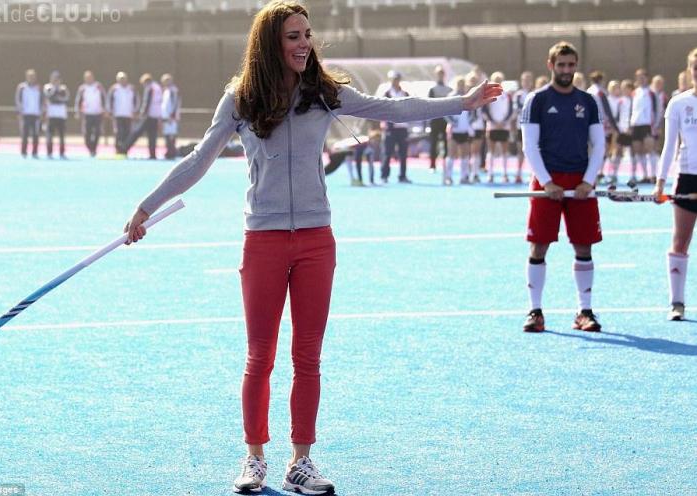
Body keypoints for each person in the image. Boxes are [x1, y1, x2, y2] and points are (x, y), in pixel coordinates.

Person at [122, 1, 501, 493]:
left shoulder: (324, 92)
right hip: (263, 239)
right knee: (260, 356)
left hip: (317, 241)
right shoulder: (240, 99)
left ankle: (300, 462)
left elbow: (392, 110)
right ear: (270, 44)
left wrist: (460, 103)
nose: (304, 44)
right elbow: (198, 160)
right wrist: (146, 207)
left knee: (308, 356)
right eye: (293, 36)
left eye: (307, 34)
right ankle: (254, 458)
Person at [519, 41, 605, 333]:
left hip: (580, 182)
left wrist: (588, 181)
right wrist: (547, 182)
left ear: (576, 66)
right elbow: (529, 146)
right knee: (539, 245)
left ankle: (584, 312)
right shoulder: (537, 100)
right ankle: (535, 311)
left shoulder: (588, 101)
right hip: (547, 181)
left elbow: (599, 145)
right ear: (551, 65)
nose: (566, 70)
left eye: (571, 65)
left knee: (583, 245)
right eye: (561, 65)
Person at [654, 48, 697, 321]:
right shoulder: (679, 104)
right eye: (696, 68)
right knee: (680, 240)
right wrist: (660, 182)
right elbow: (669, 146)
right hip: (687, 177)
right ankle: (677, 303)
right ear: (690, 70)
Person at [587, 71, 618, 184]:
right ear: (601, 80)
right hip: (601, 125)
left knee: (592, 149)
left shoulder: (588, 91)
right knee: (602, 149)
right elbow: (607, 110)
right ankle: (598, 172)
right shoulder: (600, 92)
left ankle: (593, 173)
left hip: (589, 124)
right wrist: (615, 127)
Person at [380, 70, 411, 184]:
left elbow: (409, 108)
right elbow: (382, 110)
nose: (395, 81)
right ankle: (384, 175)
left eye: (397, 79)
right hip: (390, 128)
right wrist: (383, 123)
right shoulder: (387, 94)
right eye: (393, 79)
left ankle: (402, 176)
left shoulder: (405, 94)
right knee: (387, 153)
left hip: (402, 128)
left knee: (403, 154)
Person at [123, 73, 162, 159]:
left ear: (146, 82)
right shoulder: (158, 87)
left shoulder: (150, 88)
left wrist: (142, 113)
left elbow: (147, 102)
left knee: (136, 133)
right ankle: (152, 154)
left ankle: (124, 149)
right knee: (152, 136)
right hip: (155, 116)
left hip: (148, 116)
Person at [483, 71, 512, 183]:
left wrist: (504, 122)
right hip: (492, 126)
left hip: (504, 127)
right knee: (491, 151)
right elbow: (485, 110)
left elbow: (511, 110)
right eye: (496, 80)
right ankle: (490, 174)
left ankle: (505, 174)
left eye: (499, 80)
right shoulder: (488, 94)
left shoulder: (507, 94)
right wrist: (493, 122)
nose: (498, 82)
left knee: (505, 151)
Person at [630, 68, 657, 183]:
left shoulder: (651, 93)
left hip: (647, 125)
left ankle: (654, 175)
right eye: (638, 77)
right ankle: (645, 175)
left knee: (649, 148)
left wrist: (656, 125)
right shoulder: (634, 92)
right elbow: (631, 109)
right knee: (638, 150)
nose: (640, 79)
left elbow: (656, 109)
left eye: (642, 77)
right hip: (635, 124)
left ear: (647, 78)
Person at [447, 76, 473, 184]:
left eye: (463, 84)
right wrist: (453, 122)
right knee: (451, 154)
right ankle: (448, 177)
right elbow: (446, 113)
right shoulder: (451, 97)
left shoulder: (468, 96)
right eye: (459, 84)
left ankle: (464, 177)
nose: (461, 86)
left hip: (464, 129)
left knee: (465, 154)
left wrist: (469, 122)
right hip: (454, 130)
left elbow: (472, 112)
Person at [74, 70, 107, 157]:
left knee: (97, 132)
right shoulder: (82, 88)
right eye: (87, 78)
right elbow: (78, 101)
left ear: (93, 77)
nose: (89, 79)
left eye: (90, 77)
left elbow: (104, 97)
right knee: (87, 133)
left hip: (97, 113)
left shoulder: (98, 86)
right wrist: (77, 111)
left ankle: (94, 149)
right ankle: (90, 148)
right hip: (87, 114)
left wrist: (105, 109)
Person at [427, 65, 452, 173]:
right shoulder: (432, 89)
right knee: (434, 142)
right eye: (439, 73)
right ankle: (432, 165)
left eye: (442, 73)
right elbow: (429, 105)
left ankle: (445, 165)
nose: (440, 75)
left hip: (446, 120)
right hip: (435, 119)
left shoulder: (449, 89)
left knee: (447, 143)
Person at [108, 71, 139, 156]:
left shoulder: (131, 89)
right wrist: (110, 111)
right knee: (119, 132)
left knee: (127, 132)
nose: (122, 80)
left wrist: (135, 111)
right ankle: (118, 149)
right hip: (118, 115)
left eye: (123, 78)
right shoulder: (114, 89)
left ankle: (125, 150)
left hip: (128, 115)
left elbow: (136, 100)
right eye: (120, 79)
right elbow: (109, 101)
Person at [15, 69, 43, 158]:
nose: (31, 78)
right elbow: (18, 100)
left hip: (36, 115)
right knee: (25, 134)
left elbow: (42, 101)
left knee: (36, 134)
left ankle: (35, 152)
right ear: (26, 77)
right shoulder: (21, 87)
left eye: (33, 76)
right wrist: (19, 112)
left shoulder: (38, 88)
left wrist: (41, 112)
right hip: (25, 114)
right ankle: (24, 152)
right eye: (30, 76)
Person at [512, 70, 534, 184]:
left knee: (532, 151)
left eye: (528, 80)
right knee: (521, 150)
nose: (526, 83)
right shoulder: (518, 95)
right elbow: (517, 109)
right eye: (524, 80)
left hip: (532, 127)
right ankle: (518, 173)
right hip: (520, 126)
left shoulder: (535, 94)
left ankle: (532, 174)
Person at [43, 70, 69, 159]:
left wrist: (57, 98)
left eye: (57, 78)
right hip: (51, 115)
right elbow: (49, 97)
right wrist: (55, 89)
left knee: (62, 136)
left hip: (61, 115)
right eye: (54, 78)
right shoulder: (47, 87)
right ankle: (49, 153)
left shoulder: (64, 88)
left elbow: (66, 99)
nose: (56, 80)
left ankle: (62, 153)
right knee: (50, 135)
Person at [160, 73, 181, 160]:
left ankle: (172, 152)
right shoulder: (165, 91)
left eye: (168, 80)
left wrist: (172, 116)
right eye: (165, 80)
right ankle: (169, 151)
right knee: (167, 134)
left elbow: (176, 104)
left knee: (172, 135)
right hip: (165, 117)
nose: (166, 82)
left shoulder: (173, 91)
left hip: (171, 117)